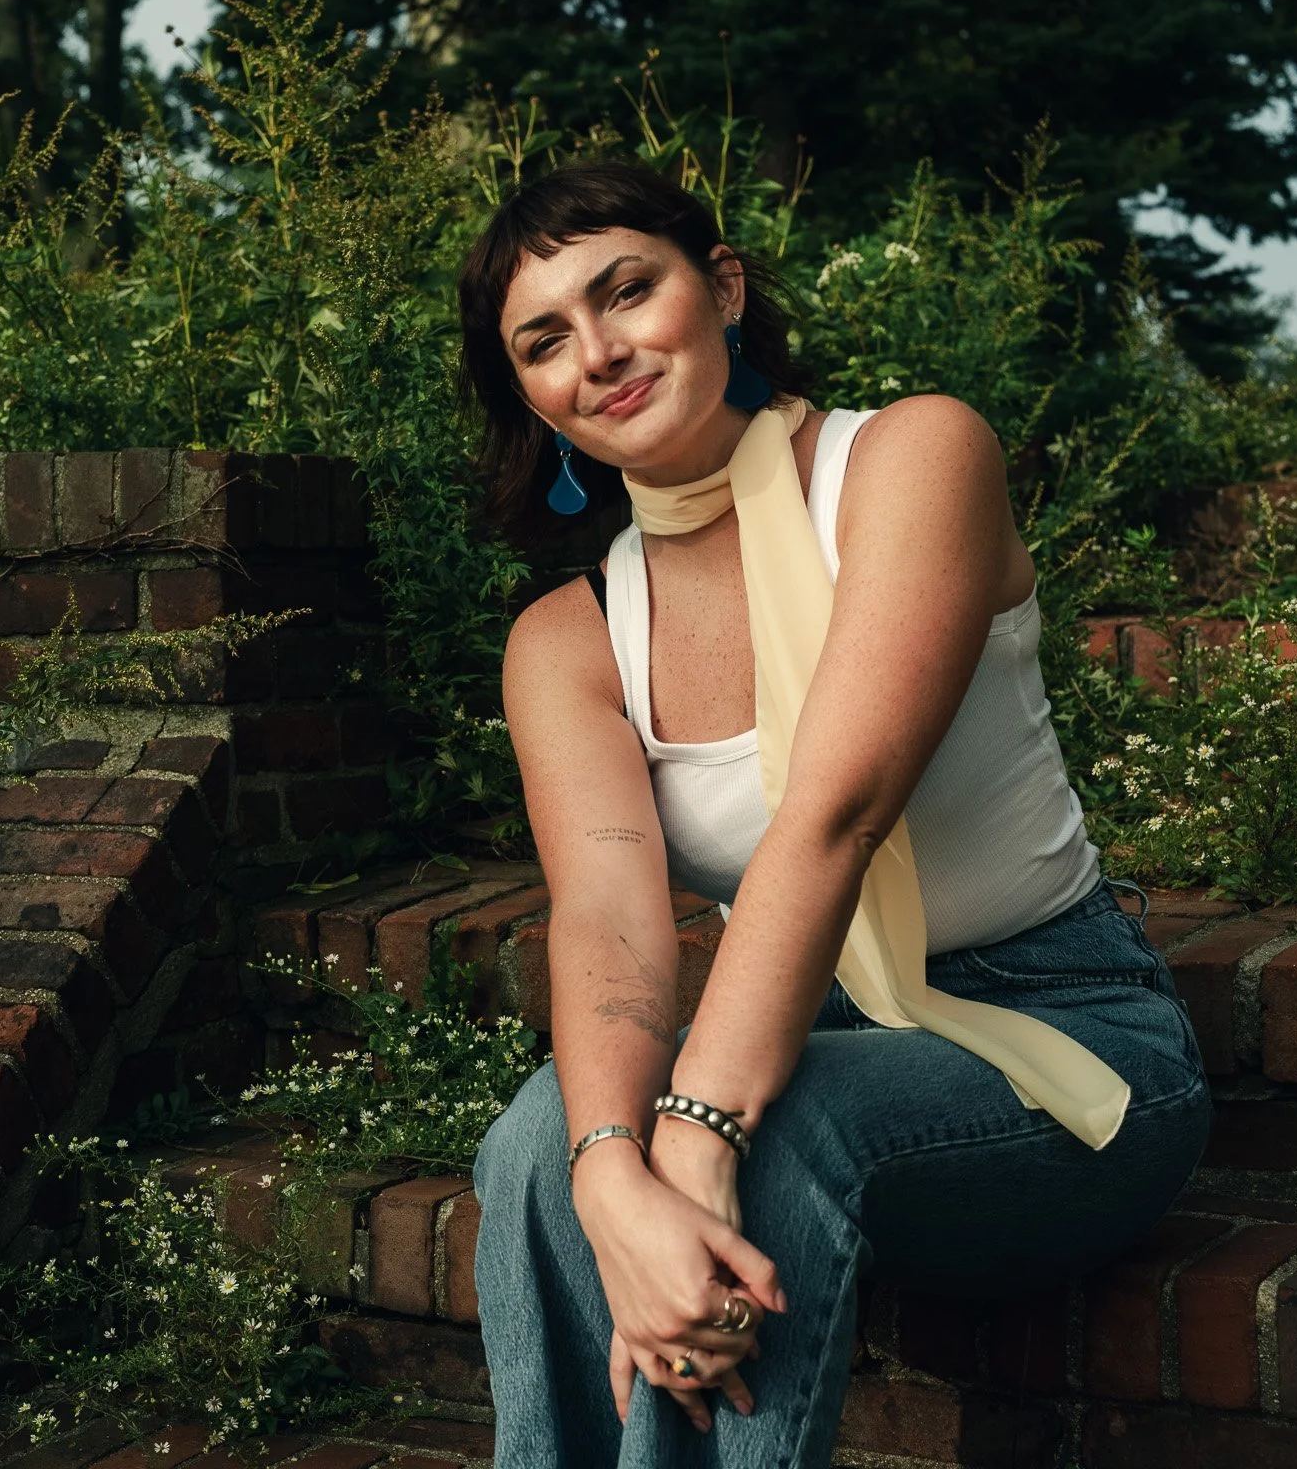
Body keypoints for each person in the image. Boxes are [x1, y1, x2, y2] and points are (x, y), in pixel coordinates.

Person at [459, 159, 1211, 1468]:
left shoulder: (912, 457)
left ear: (724, 287)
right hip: (814, 1035)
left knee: (766, 1131)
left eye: (626, 291)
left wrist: (697, 1132)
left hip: (1066, 1037)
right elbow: (610, 923)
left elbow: (836, 814)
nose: (600, 352)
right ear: (530, 395)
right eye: (545, 341)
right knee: (538, 1141)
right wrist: (608, 1170)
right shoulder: (568, 640)